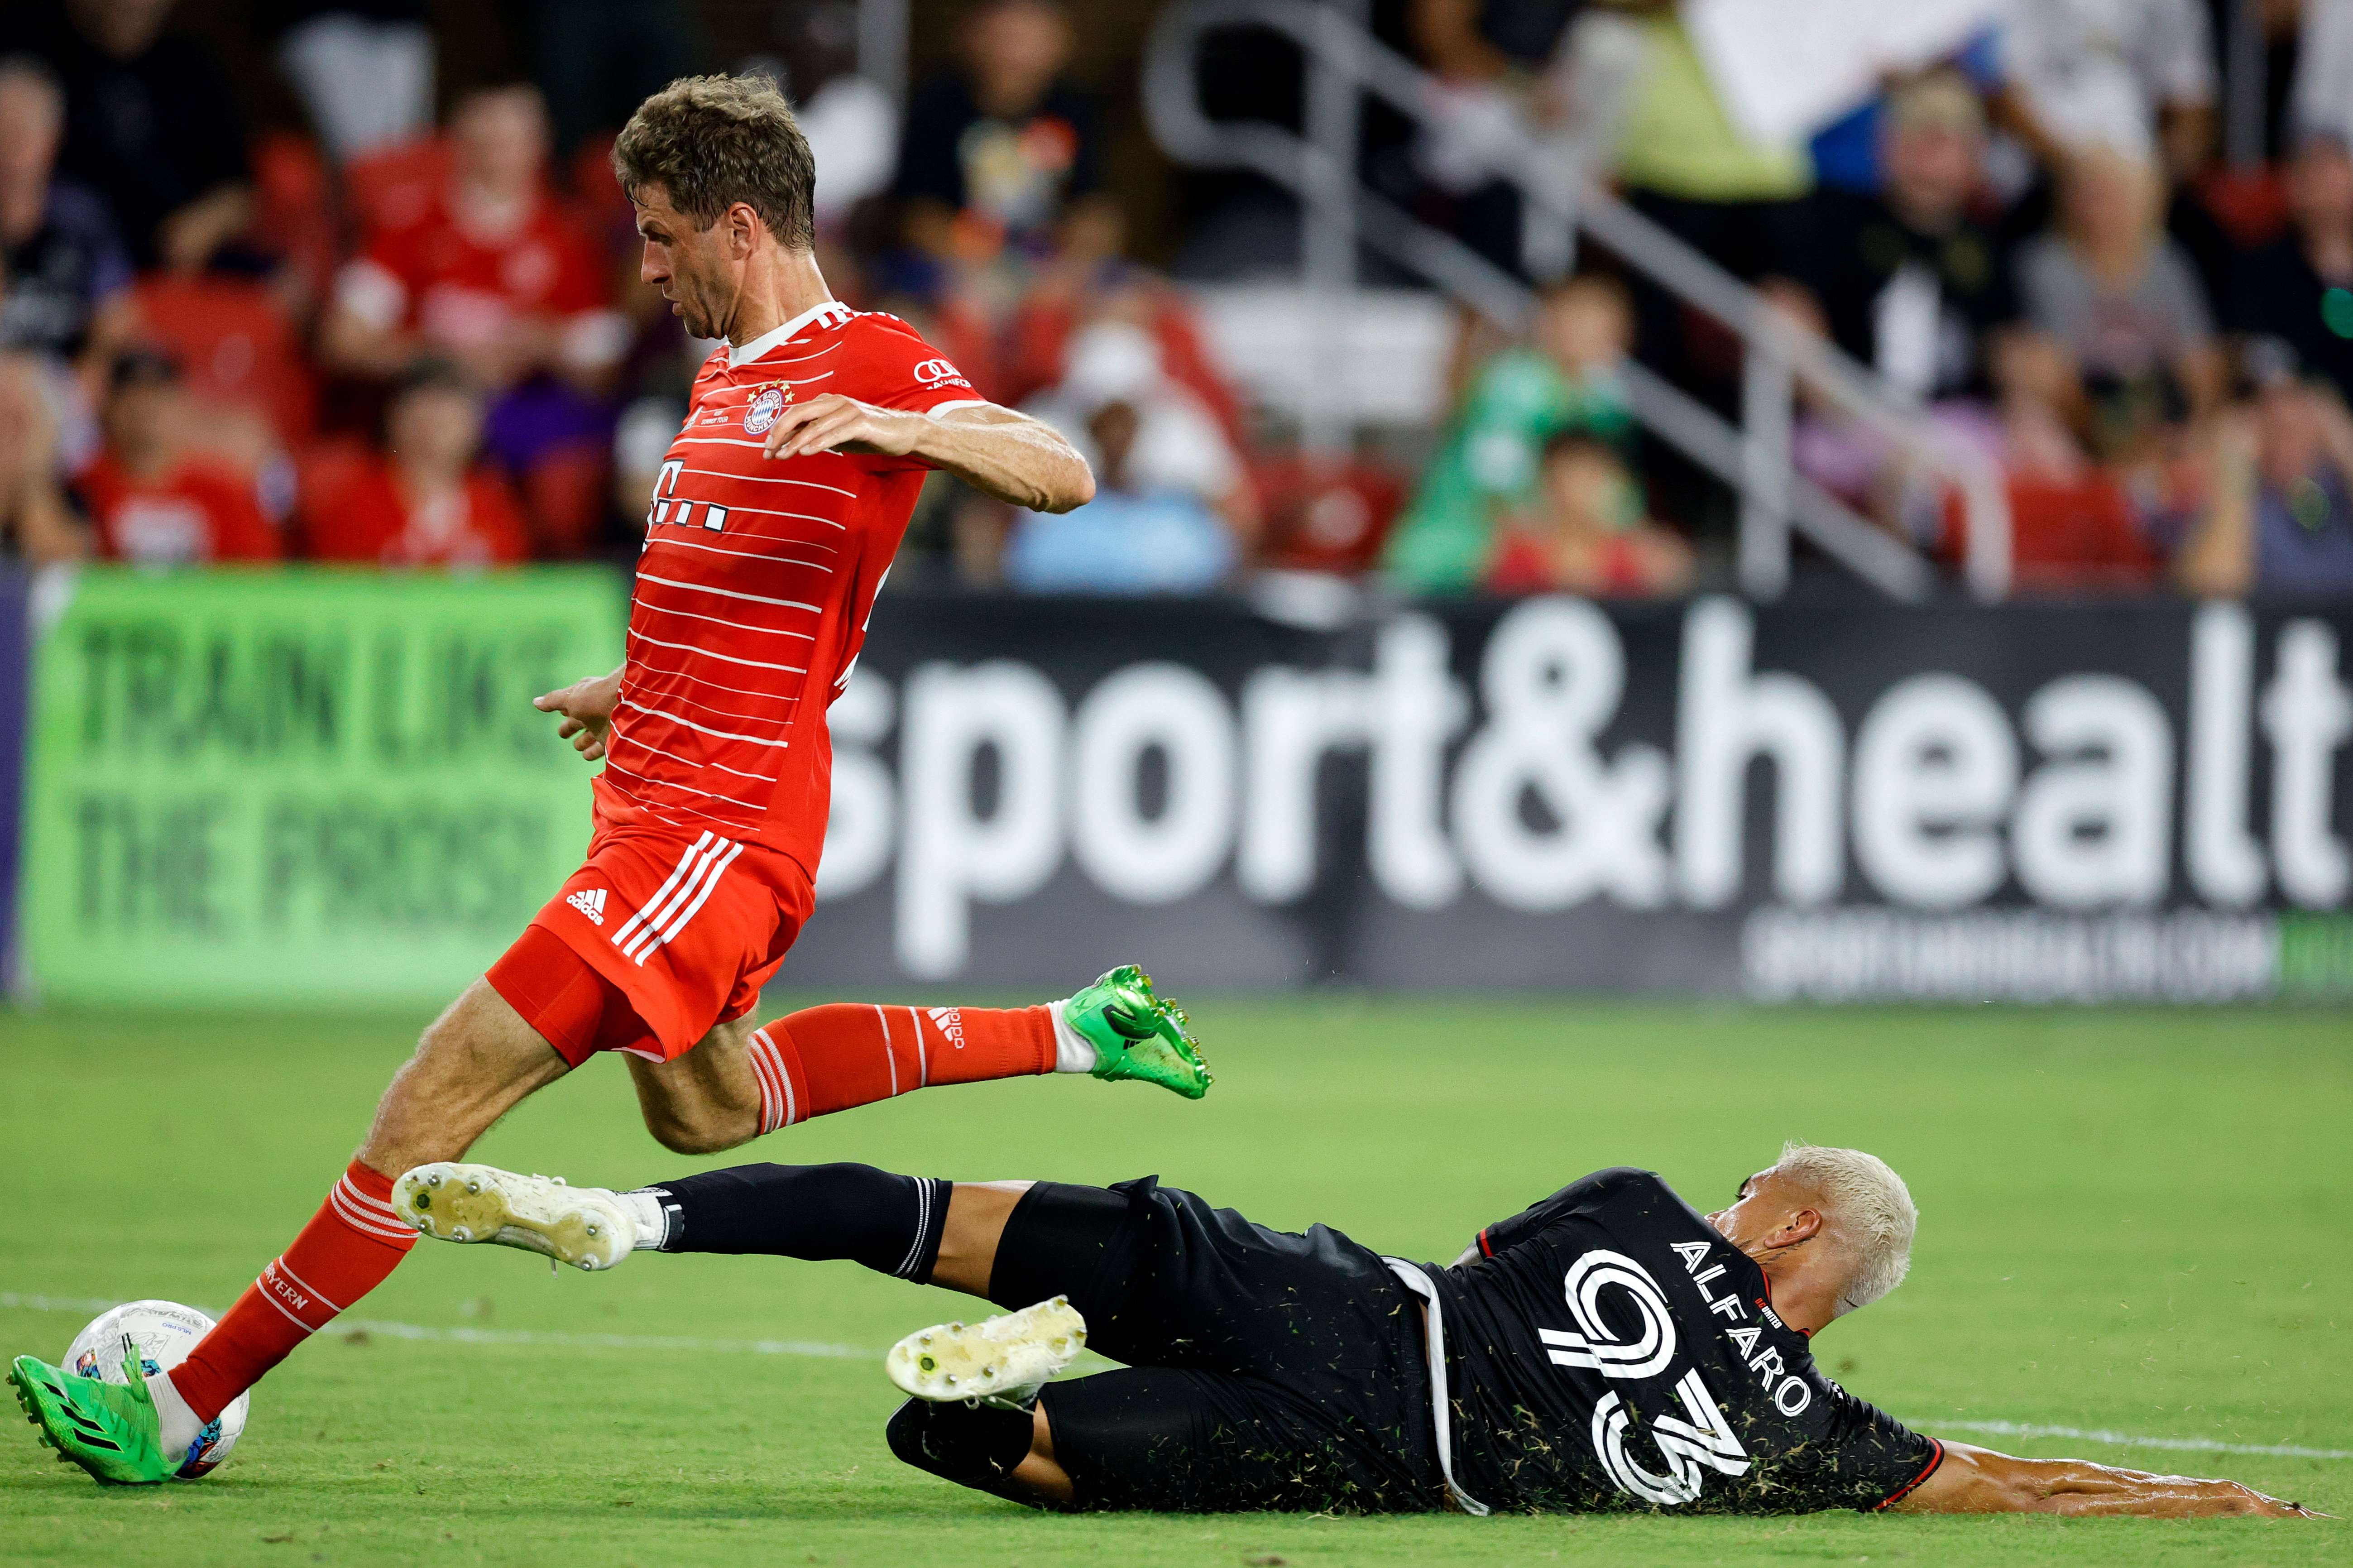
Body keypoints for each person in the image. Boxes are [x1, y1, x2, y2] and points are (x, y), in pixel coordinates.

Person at [5, 72, 1210, 1490]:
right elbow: (748, 605)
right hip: (657, 801)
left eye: (658, 235)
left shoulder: (868, 357)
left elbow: (1059, 467)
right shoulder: (720, 382)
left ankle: (181, 1402)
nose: (643, 266)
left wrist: (917, 431)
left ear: (741, 228)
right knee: (704, 1108)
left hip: (710, 835)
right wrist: (631, 689)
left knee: (427, 1105)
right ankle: (1076, 1030)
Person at [372, 1144, 2319, 1520]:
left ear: (1787, 1221)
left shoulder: (1641, 1210)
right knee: (1001, 1458)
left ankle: (645, 1215)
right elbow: (1989, 1483)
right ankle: (1025, 1399)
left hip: (1323, 1297)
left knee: (928, 1220)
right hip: (1353, 1468)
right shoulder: (1811, 1443)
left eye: (1762, 1191)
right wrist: (2183, 1500)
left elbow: (1479, 1253)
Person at [323, 83, 628, 555]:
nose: (499, 154)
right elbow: (343, 340)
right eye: (485, 138)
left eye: (512, 138)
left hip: (529, 410)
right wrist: (439, 353)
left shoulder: (571, 237)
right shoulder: (409, 225)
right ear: (458, 141)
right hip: (430, 402)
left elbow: (605, 368)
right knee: (436, 424)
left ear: (539, 143)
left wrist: (545, 343)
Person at [1385, 272, 1637, 592]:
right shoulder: (1510, 386)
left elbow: (1620, 498)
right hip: (1458, 550)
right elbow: (1498, 497)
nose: (1594, 332)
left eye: (1606, 323)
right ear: (1550, 323)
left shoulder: (1607, 398)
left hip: (1549, 547)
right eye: (1582, 319)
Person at [1781, 72, 2018, 406]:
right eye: (1912, 135)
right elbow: (1787, 306)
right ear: (1883, 144)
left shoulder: (1987, 244)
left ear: (1975, 155)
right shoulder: (1833, 218)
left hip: (1956, 431)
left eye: (1942, 140)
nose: (1926, 155)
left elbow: (2009, 346)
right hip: (1847, 420)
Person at [0, 0, 253, 273]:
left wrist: (207, 223)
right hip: (59, 260)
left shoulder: (191, 62)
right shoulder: (27, 44)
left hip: (173, 269)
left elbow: (241, 187)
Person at [2013, 145, 2224, 457]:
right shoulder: (2046, 266)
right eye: (2086, 194)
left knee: (2227, 437)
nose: (2097, 209)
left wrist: (2187, 429)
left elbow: (2200, 362)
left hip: (2163, 410)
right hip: (2081, 416)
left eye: (2111, 195)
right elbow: (2051, 372)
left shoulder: (2168, 265)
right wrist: (2108, 435)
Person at [891, 0, 1114, 271]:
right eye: (1001, 37)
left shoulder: (1076, 110)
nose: (1012, 55)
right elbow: (918, 215)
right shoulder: (936, 107)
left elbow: (1096, 211)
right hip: (953, 267)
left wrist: (1071, 267)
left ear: (1060, 43)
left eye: (1027, 39)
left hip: (1051, 269)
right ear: (969, 38)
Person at [0, 56, 136, 412]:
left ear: (51, 141)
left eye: (22, 134)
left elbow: (119, 316)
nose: (10, 153)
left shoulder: (80, 215)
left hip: (63, 391)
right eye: (2, 132)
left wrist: (89, 372)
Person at [302, 361, 529, 568]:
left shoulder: (496, 511)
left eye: (449, 415)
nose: (435, 426)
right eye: (425, 413)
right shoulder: (355, 507)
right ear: (394, 421)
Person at [75, 350, 279, 566]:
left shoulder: (223, 492)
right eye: (131, 397)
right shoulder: (86, 487)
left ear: (182, 405)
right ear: (109, 408)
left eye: (158, 398)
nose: (145, 410)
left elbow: (257, 576)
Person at [2176, 372, 2353, 598]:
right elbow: (2213, 592)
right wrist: (2235, 471)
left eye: (2297, 423)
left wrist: (2346, 446)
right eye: (2272, 425)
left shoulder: (2338, 490)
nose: (2285, 439)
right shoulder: (2239, 503)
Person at [2227, 133, 2353, 412]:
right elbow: (2250, 349)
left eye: (2335, 177)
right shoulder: (2263, 268)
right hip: (2295, 415)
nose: (2327, 190)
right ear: (2293, 187)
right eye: (2314, 176)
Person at [1485, 431, 1692, 596]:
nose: (1582, 491)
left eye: (1591, 477)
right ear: (1549, 485)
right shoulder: (1522, 553)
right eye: (1571, 478)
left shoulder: (1633, 552)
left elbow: (1676, 579)